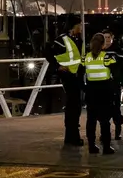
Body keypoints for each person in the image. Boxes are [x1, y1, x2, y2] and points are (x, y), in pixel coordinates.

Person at [47, 16, 85, 146]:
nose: (81, 27)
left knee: (76, 105)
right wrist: (58, 67)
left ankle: (73, 135)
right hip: (68, 76)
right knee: (73, 106)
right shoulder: (62, 40)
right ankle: (71, 136)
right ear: (74, 26)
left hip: (76, 75)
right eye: (79, 24)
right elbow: (48, 53)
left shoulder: (77, 39)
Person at [82, 33, 117, 154]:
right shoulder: (106, 57)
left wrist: (85, 88)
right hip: (104, 91)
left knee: (90, 120)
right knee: (104, 120)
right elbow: (115, 71)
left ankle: (92, 146)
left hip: (91, 91)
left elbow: (80, 73)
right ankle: (106, 147)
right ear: (103, 44)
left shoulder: (85, 57)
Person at [102, 28, 123, 140]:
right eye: (105, 37)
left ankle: (118, 131)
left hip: (115, 84)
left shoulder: (118, 51)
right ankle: (104, 133)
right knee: (103, 109)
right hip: (102, 85)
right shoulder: (98, 51)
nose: (107, 40)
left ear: (112, 38)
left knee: (116, 108)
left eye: (109, 37)